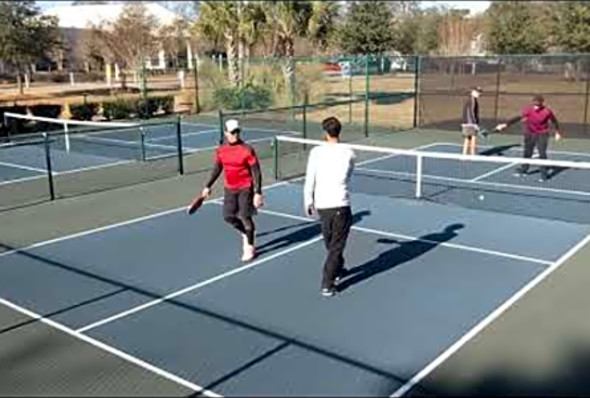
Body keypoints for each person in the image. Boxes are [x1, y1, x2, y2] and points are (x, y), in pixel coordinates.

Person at [304, 116, 356, 297]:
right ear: (338, 131)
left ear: (325, 132)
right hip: (329, 206)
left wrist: (308, 201)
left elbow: (310, 178)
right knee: (332, 245)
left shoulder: (318, 152)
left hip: (335, 204)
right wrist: (309, 201)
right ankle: (338, 267)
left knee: (334, 246)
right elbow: (348, 175)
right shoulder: (349, 152)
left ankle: (327, 283)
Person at [200, 119, 264, 262]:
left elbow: (256, 171)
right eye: (232, 132)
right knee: (228, 217)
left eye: (237, 131)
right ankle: (246, 233)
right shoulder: (221, 150)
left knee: (245, 216)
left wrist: (258, 192)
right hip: (230, 188)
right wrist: (208, 186)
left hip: (245, 188)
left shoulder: (247, 149)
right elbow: (217, 168)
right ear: (226, 133)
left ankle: (249, 246)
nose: (235, 134)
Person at [496, 94, 562, 182]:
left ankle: (544, 174)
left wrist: (557, 132)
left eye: (538, 105)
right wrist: (505, 124)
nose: (536, 107)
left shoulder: (547, 111)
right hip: (530, 133)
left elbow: (554, 121)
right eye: (535, 104)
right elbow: (518, 118)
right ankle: (524, 170)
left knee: (542, 153)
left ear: (542, 103)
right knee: (527, 152)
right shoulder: (528, 110)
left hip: (542, 134)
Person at [461, 86, 482, 156]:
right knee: (473, 137)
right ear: (473, 92)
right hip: (470, 123)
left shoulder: (469, 99)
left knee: (468, 138)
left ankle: (464, 155)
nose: (479, 94)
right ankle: (472, 155)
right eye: (477, 92)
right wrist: (474, 123)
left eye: (479, 92)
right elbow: (471, 112)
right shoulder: (473, 100)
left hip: (466, 122)